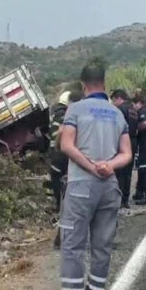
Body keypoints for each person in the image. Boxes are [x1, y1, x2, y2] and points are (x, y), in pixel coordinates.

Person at [46, 63, 132, 290]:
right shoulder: (117, 114)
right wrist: (108, 166)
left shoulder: (76, 109)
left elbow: (66, 144)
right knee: (101, 248)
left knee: (73, 246)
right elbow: (126, 154)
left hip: (82, 185)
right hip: (110, 188)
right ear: (103, 84)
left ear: (83, 86)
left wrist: (90, 165)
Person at [49, 90, 82, 250]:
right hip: (67, 166)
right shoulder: (71, 118)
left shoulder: (65, 116)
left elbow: (58, 140)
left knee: (66, 202)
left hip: (62, 165)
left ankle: (62, 238)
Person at [110, 89, 138, 210]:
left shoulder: (120, 110)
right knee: (128, 173)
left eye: (113, 100)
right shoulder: (133, 109)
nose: (112, 103)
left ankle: (119, 199)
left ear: (118, 98)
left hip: (122, 141)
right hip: (133, 141)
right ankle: (125, 199)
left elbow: (115, 127)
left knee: (120, 172)